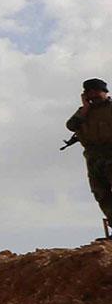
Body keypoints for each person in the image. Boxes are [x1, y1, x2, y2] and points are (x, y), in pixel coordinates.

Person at [64, 78, 112, 237]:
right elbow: (70, 125)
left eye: (96, 92)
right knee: (101, 193)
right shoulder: (84, 113)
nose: (93, 96)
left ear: (105, 92)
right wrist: (85, 108)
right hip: (93, 157)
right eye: (89, 92)